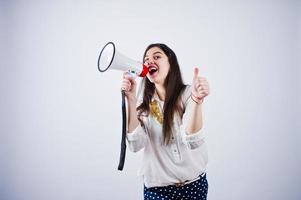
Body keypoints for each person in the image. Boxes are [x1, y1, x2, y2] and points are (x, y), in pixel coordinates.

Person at [121, 43, 210, 200]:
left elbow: (193, 140)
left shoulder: (189, 93)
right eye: (146, 59)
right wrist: (131, 98)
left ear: (171, 63)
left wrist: (196, 100)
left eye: (157, 57)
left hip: (195, 186)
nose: (149, 62)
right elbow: (135, 144)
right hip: (158, 191)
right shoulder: (143, 105)